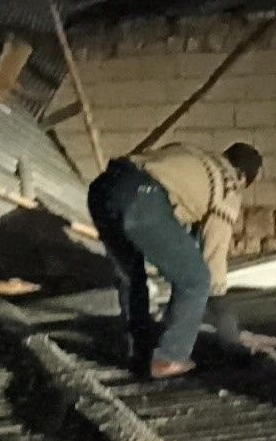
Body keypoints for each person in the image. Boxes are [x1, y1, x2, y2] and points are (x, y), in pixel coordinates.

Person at [88, 141, 261, 380]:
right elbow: (214, 254)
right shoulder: (229, 183)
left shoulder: (193, 154)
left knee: (133, 278)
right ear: (242, 176)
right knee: (196, 280)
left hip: (104, 188)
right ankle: (170, 357)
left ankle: (139, 353)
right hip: (142, 197)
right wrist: (228, 327)